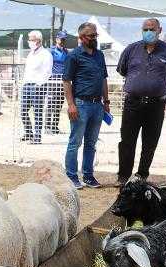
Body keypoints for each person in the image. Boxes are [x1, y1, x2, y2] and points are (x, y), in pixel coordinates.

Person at [115, 18, 166, 185]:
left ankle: (142, 175)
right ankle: (123, 176)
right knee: (127, 141)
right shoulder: (131, 49)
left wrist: (154, 83)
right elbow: (123, 71)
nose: (149, 32)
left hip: (156, 105)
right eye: (145, 29)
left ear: (159, 30)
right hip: (132, 103)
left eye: (152, 29)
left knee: (150, 142)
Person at [62, 22, 109, 190]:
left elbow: (104, 78)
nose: (94, 38)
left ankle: (88, 175)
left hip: (97, 105)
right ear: (81, 37)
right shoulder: (74, 56)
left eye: (95, 35)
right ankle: (71, 176)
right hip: (81, 104)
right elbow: (66, 81)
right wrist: (71, 105)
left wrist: (107, 101)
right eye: (91, 35)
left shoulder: (99, 55)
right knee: (75, 141)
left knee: (91, 143)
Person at [20, 30, 52, 144]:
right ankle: (28, 133)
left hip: (38, 86)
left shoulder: (46, 54)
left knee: (37, 112)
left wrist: (39, 84)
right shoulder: (30, 54)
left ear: (38, 41)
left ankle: (37, 137)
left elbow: (47, 71)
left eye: (31, 39)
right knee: (23, 111)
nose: (29, 42)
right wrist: (24, 83)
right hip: (27, 85)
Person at [45, 30, 68, 134]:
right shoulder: (51, 51)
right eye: (61, 39)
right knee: (50, 103)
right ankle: (47, 126)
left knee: (59, 104)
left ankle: (55, 126)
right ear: (57, 39)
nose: (63, 41)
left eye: (64, 39)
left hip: (62, 81)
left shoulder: (66, 52)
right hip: (53, 80)